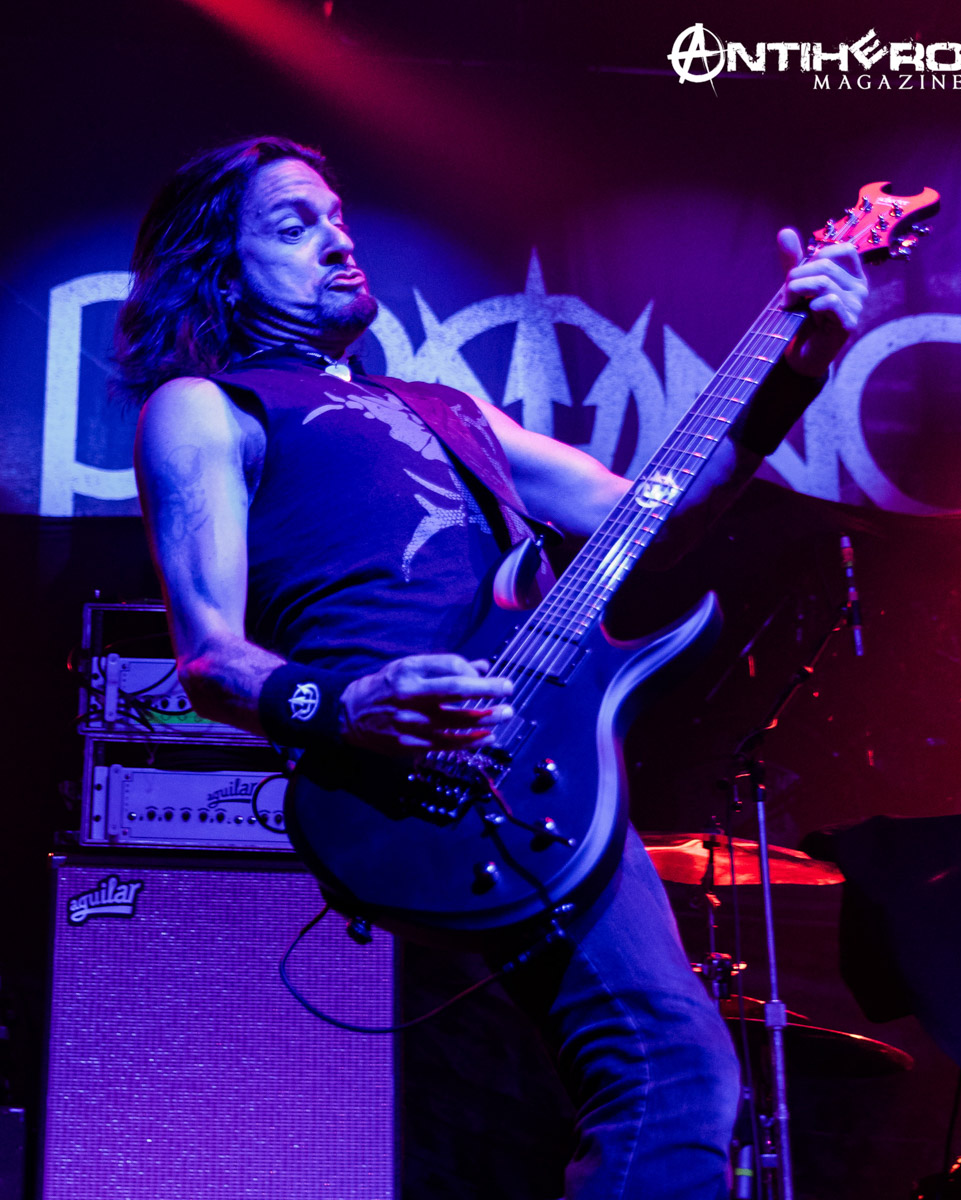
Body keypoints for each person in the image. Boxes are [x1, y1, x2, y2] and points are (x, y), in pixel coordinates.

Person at [118, 136, 868, 1199]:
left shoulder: (451, 411)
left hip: (542, 768)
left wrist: (798, 369)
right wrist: (346, 706)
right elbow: (207, 655)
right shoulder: (207, 406)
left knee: (679, 1073)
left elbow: (652, 517)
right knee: (667, 1073)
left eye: (337, 216)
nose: (337, 240)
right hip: (407, 785)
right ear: (221, 269)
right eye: (294, 225)